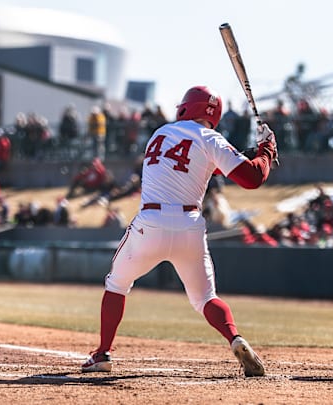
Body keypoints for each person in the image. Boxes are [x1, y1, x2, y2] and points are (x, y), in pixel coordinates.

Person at [81, 85, 278, 377]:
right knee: (206, 298)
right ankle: (235, 338)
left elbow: (185, 165)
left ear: (186, 108)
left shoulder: (159, 133)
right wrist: (266, 151)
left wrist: (254, 152)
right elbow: (251, 178)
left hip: (150, 223)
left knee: (117, 284)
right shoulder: (212, 139)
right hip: (190, 226)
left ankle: (102, 354)